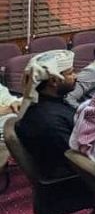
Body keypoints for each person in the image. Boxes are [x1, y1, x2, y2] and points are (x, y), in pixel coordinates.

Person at [16, 50, 77, 179]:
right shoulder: (50, 120)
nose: (76, 76)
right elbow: (77, 159)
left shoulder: (50, 104)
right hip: (72, 180)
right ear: (54, 81)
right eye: (71, 73)